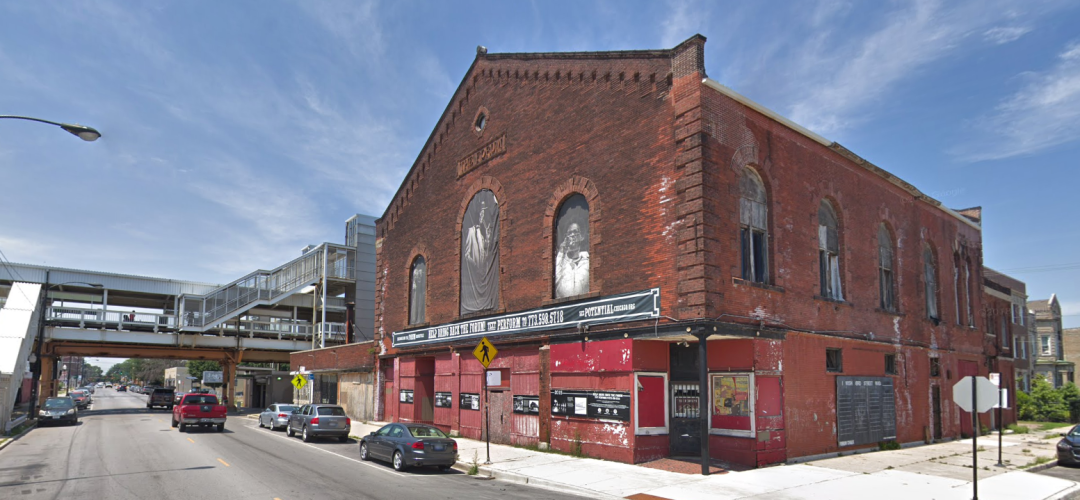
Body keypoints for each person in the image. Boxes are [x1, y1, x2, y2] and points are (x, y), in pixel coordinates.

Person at [555, 222, 589, 297]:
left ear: (581, 237)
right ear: (566, 237)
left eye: (575, 232)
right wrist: (561, 251)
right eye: (570, 233)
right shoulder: (561, 262)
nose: (572, 235)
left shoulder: (587, 261)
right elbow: (555, 281)